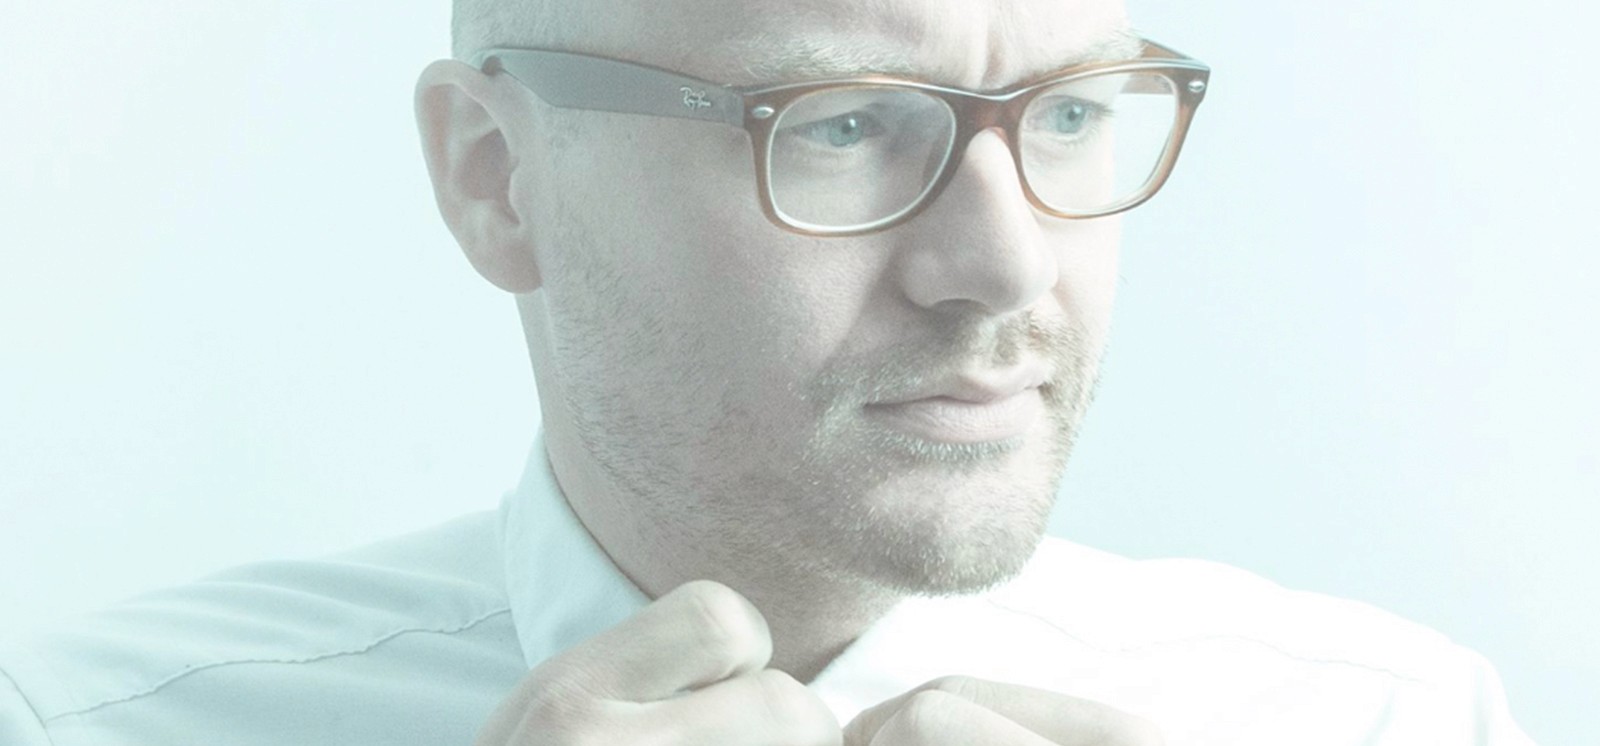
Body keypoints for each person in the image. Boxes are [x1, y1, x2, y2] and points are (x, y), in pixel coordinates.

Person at [0, 0, 1534, 743]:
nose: (1006, 267)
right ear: (496, 175)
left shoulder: (1399, 718)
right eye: (844, 122)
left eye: (1073, 113)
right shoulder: (75, 729)